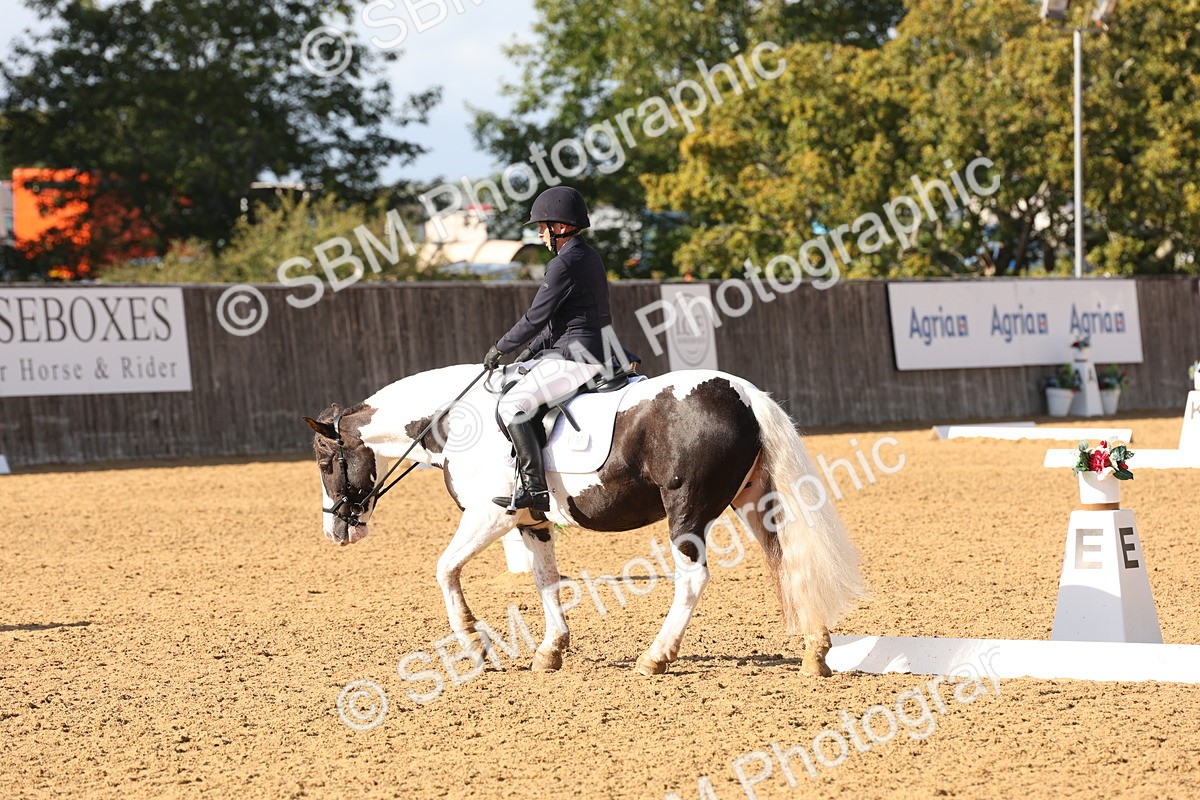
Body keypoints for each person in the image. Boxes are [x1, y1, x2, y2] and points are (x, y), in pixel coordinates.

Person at [482, 185, 624, 512]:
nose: (539, 234)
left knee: (512, 404)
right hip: (595, 350)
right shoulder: (587, 256)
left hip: (577, 355)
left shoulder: (563, 264)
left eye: (541, 228)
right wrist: (528, 353)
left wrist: (499, 347)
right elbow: (556, 322)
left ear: (559, 227)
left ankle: (534, 489)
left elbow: (535, 317)